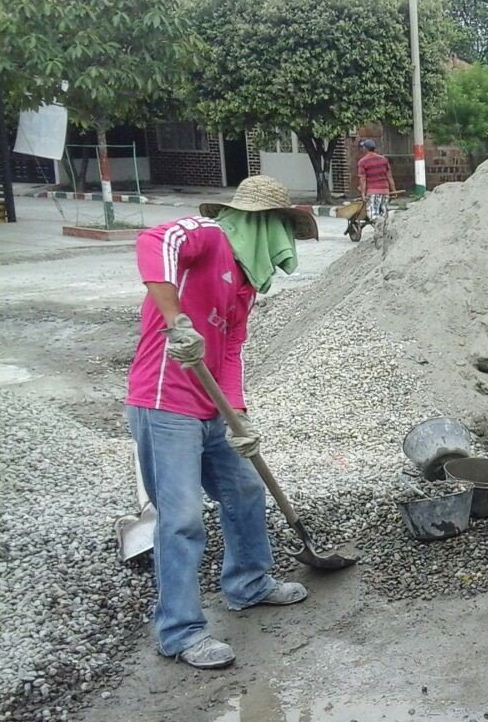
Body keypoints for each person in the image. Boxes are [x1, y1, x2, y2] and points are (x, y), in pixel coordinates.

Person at [125, 176, 320, 668]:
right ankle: (180, 631)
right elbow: (154, 240)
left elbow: (230, 350)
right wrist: (176, 322)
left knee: (244, 491)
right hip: (164, 402)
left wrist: (240, 417)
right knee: (183, 518)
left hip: (212, 410)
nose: (284, 247)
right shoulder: (207, 235)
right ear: (260, 224)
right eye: (281, 232)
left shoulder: (247, 283)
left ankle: (249, 584)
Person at [356, 138, 396, 228]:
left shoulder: (362, 161)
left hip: (373, 192)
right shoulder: (383, 160)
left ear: (365, 149)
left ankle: (379, 232)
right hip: (385, 191)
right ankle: (384, 230)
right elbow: (389, 177)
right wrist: (393, 190)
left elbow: (363, 179)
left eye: (363, 147)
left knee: (373, 215)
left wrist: (363, 194)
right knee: (383, 213)